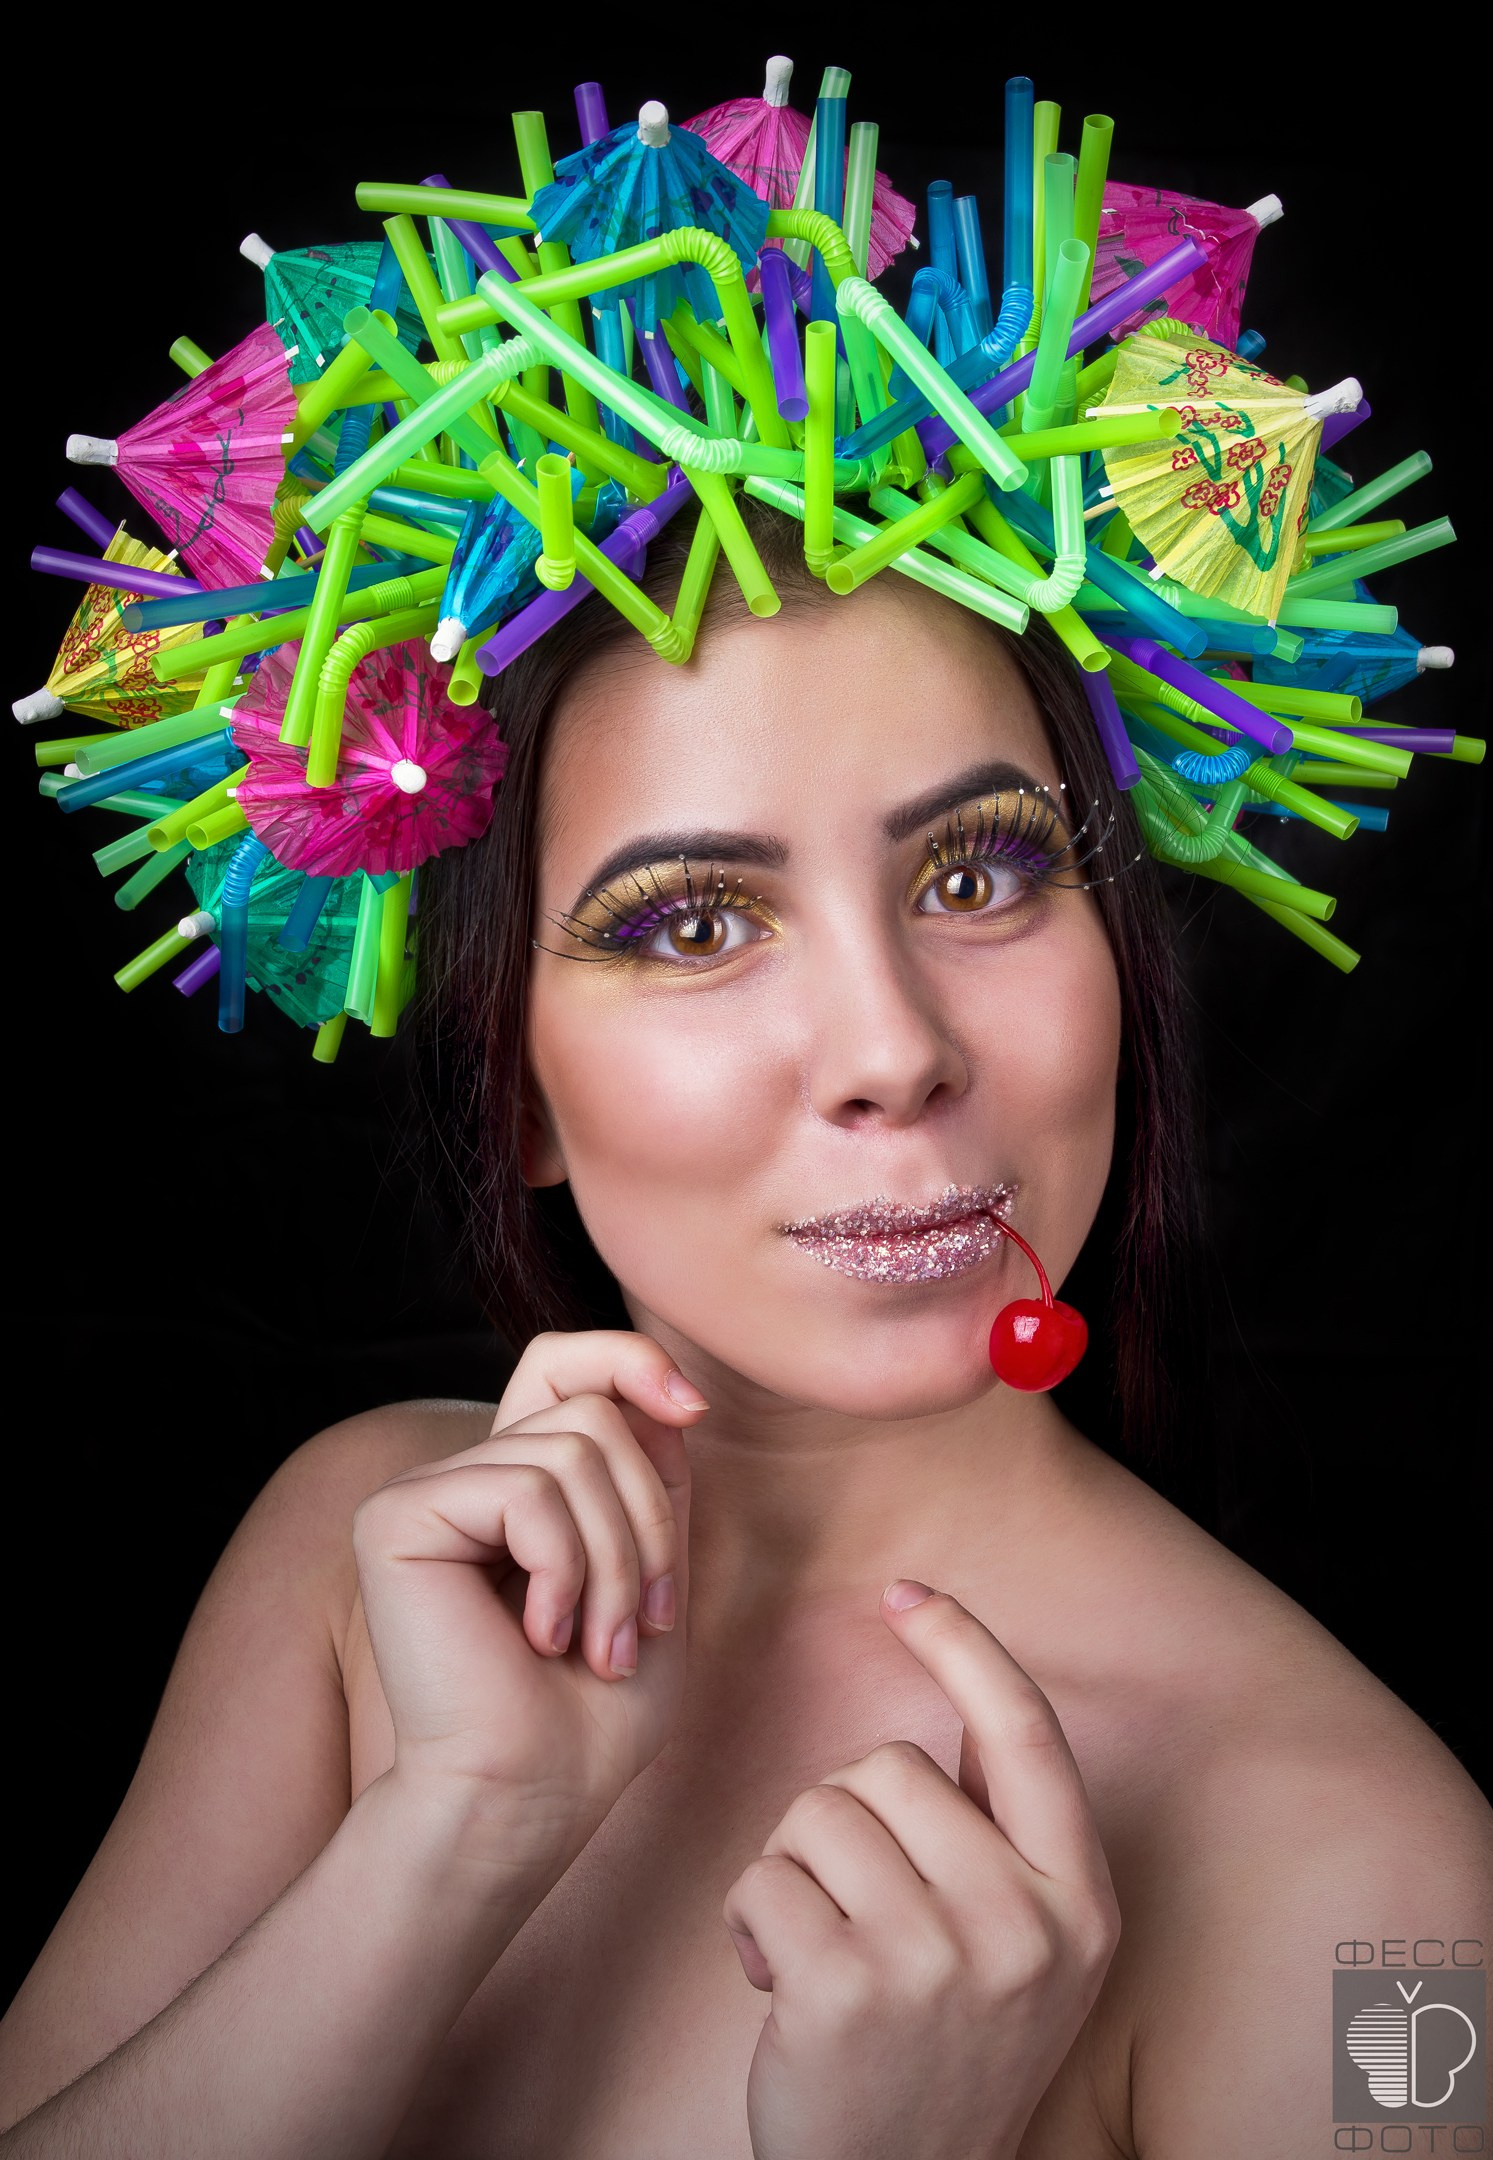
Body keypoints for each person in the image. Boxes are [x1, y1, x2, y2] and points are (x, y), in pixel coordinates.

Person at [1, 497, 1487, 2159]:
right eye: (695, 922)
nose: (891, 1050)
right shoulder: (359, 1556)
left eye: (976, 873)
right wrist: (453, 1829)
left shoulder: (1391, 1897)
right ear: (509, 1083)